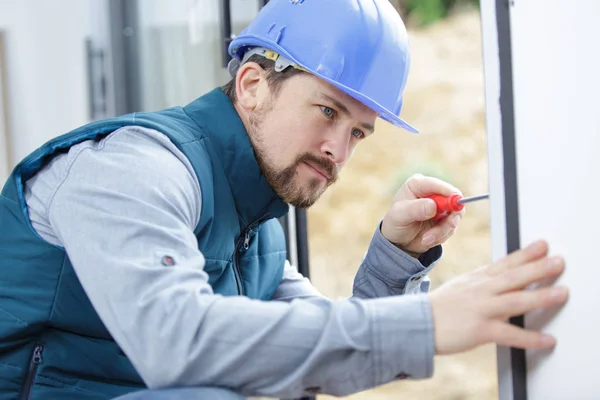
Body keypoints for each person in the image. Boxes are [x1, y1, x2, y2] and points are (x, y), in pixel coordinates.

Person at [0, 0, 568, 399]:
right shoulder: (135, 169)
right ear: (252, 85)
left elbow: (320, 352)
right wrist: (430, 321)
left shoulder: (258, 226)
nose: (337, 151)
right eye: (327, 111)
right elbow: (178, 342)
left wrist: (395, 259)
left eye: (358, 133)